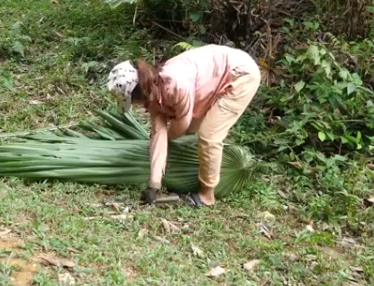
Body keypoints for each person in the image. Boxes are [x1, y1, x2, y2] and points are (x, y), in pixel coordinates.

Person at [106, 44, 261, 207]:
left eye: (133, 101)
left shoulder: (175, 84)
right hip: (212, 78)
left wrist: (168, 138)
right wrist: (154, 184)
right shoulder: (152, 96)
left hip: (240, 74)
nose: (137, 105)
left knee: (209, 135)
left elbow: (182, 125)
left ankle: (207, 195)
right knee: (190, 129)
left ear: (140, 93)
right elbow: (159, 134)